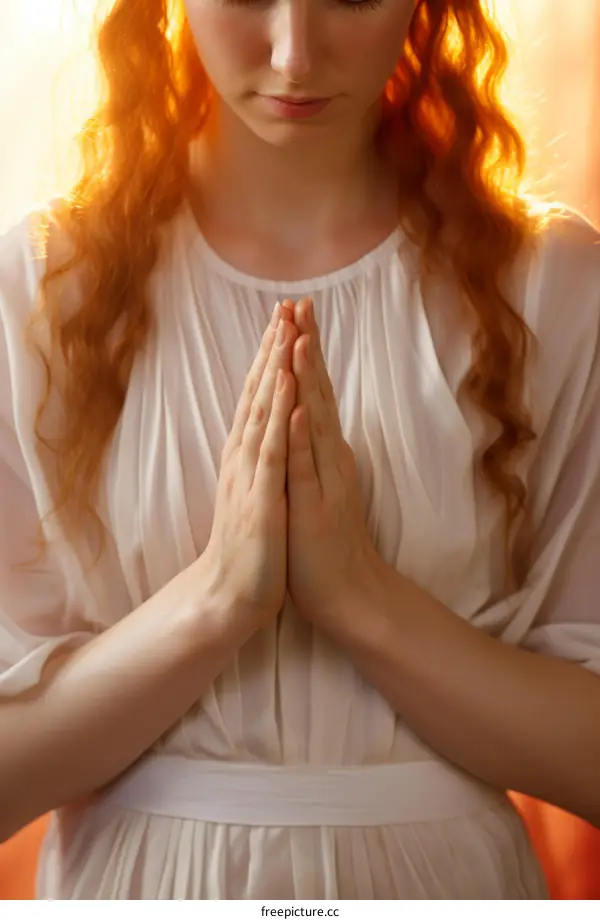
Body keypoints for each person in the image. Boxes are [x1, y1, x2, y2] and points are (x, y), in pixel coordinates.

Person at [0, 0, 599, 900]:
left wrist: (359, 597)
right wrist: (216, 602)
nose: (294, 54)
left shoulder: (552, 287)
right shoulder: (39, 292)